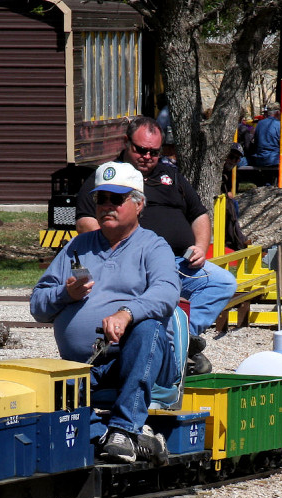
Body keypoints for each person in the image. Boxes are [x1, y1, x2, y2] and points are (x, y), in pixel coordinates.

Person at [31, 161, 179, 465]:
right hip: (84, 366)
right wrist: (65, 294)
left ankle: (124, 427)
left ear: (138, 204)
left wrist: (126, 313)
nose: (107, 206)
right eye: (101, 199)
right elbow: (38, 306)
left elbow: (166, 293)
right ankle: (128, 437)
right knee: (38, 401)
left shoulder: (153, 246)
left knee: (148, 327)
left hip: (136, 360)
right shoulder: (77, 247)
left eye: (116, 199)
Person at [75, 116, 237, 375]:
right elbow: (85, 221)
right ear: (127, 143)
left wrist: (200, 245)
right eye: (141, 149)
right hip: (136, 263)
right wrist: (116, 251)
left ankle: (180, 340)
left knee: (223, 282)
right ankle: (163, 346)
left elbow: (199, 214)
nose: (147, 156)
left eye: (154, 152)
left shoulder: (170, 174)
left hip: (177, 262)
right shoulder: (109, 176)